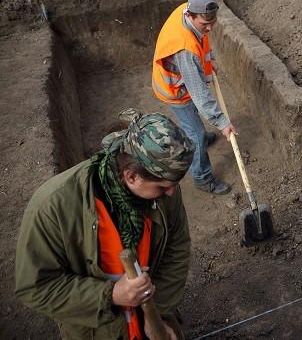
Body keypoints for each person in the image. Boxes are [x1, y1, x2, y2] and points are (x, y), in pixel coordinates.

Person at [15, 109, 194, 339]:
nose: (171, 193)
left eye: (173, 185)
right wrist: (111, 295)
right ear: (131, 176)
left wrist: (157, 315)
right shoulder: (53, 207)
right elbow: (36, 287)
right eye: (162, 187)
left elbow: (176, 250)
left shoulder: (165, 190)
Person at [152, 0, 236, 195]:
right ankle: (202, 178)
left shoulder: (186, 10)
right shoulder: (185, 50)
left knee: (195, 127)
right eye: (204, 24)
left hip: (183, 83)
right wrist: (223, 122)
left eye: (212, 23)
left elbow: (202, 41)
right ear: (191, 16)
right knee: (195, 135)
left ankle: (202, 138)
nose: (209, 28)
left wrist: (210, 60)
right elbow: (199, 95)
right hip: (176, 92)